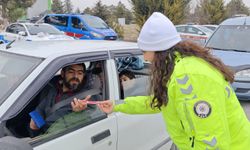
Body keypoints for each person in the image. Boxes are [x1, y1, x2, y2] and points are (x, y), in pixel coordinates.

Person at [98, 12, 250, 149]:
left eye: (145, 51)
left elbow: (212, 141)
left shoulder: (191, 77)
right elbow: (160, 102)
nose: (144, 58)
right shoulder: (176, 67)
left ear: (159, 50)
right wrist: (117, 105)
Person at [29, 63, 96, 136]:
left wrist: (77, 113)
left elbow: (88, 125)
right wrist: (34, 125)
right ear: (62, 74)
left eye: (80, 73)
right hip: (41, 134)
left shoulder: (86, 99)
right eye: (71, 72)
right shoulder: (54, 90)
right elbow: (40, 109)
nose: (76, 76)